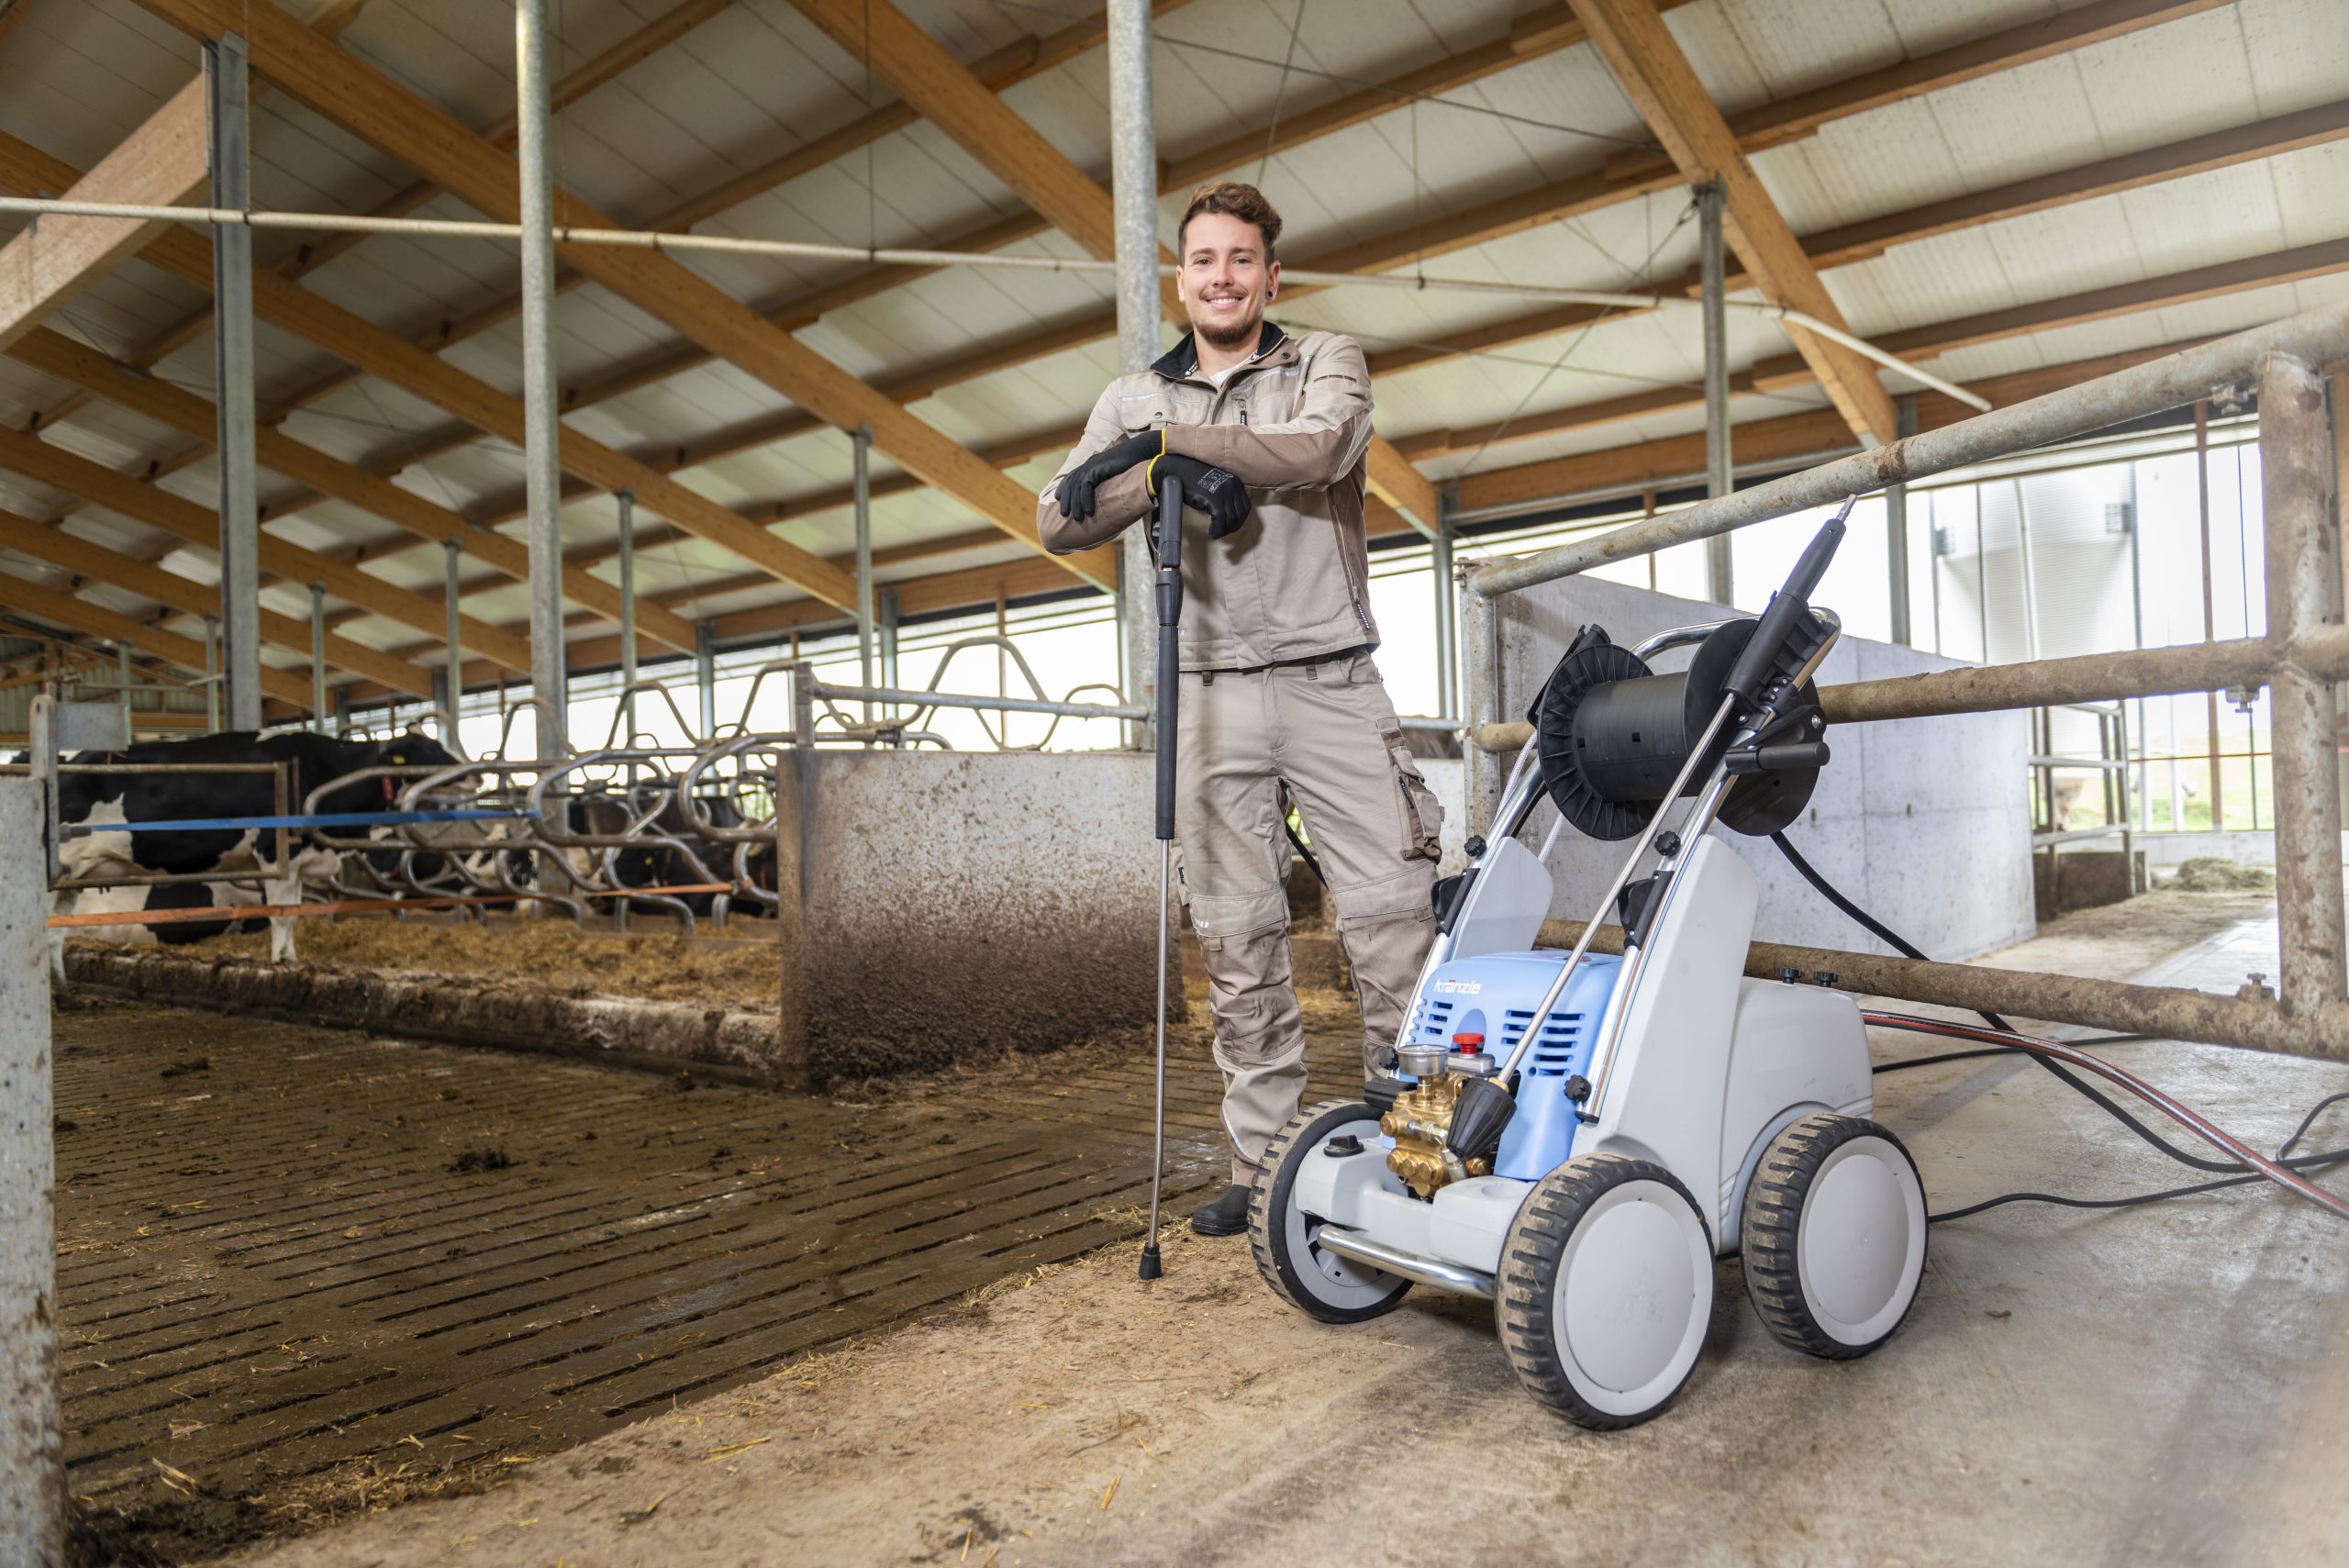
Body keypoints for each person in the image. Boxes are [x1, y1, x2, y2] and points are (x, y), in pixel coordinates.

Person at [1038, 182, 1444, 1237]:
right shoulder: (1131, 393)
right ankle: (1262, 1167)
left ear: (1271, 274)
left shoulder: (1322, 359)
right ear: (1181, 278)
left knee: (1394, 918)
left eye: (1240, 259)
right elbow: (1057, 516)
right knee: (1237, 936)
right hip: (1207, 690)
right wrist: (1153, 470)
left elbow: (1318, 449)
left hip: (1329, 679)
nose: (1221, 277)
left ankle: (1423, 1151)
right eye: (1203, 260)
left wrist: (1170, 450)